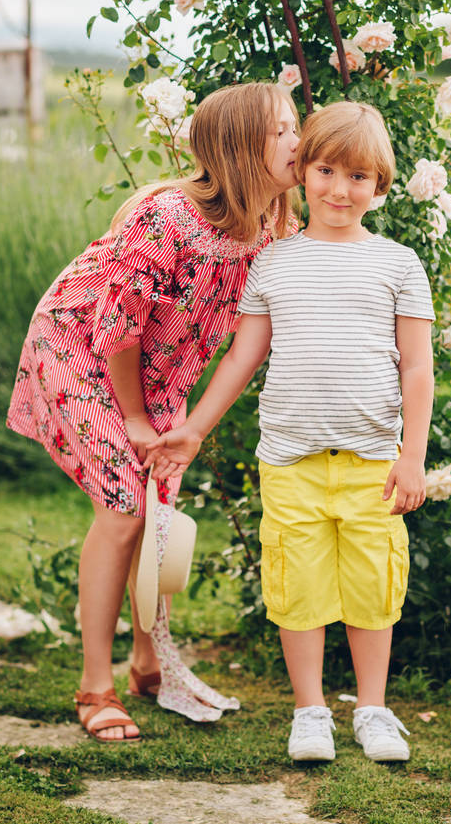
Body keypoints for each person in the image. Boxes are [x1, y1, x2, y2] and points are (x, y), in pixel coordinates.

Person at [7, 82, 300, 742]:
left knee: (159, 502)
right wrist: (137, 419)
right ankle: (94, 685)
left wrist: (184, 425)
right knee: (123, 504)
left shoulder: (266, 227)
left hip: (158, 367)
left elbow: (241, 343)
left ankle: (147, 660)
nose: (296, 141)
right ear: (238, 145)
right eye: (280, 130)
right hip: (81, 343)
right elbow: (119, 326)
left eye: (294, 127)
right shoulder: (167, 218)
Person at [144, 101, 435, 762]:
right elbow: (242, 357)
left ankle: (372, 709)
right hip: (289, 459)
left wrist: (411, 455)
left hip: (370, 462)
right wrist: (190, 430)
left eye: (358, 177)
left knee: (371, 587)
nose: (339, 189)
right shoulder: (274, 262)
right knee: (296, 585)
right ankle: (309, 711)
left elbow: (417, 368)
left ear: (380, 185)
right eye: (326, 170)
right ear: (301, 171)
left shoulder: (397, 264)